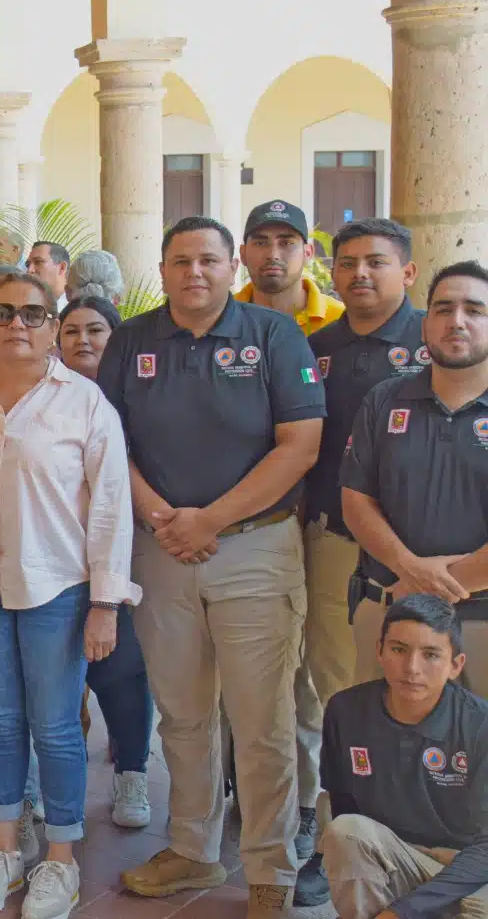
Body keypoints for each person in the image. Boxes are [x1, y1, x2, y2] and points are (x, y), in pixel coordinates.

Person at [101, 217, 325, 918]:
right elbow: (108, 444)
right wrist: (167, 518)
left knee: (263, 721)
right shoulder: (133, 341)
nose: (193, 273)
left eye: (208, 260)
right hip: (161, 548)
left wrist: (211, 519)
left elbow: (300, 446)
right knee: (184, 713)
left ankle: (270, 868)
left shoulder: (273, 336)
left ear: (233, 267)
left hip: (255, 548)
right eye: (179, 261)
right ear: (162, 270)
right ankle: (194, 850)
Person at [0, 274, 137, 919]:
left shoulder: (84, 403)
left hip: (57, 586)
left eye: (33, 313)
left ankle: (60, 859)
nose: (17, 324)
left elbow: (110, 508)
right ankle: (3, 849)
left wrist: (105, 602)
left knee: (54, 728)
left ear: (53, 325)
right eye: (3, 312)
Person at [343, 260, 488, 697]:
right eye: (442, 309)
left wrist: (432, 587)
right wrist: (409, 570)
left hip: (480, 623)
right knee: (380, 755)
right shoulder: (384, 399)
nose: (456, 321)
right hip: (388, 612)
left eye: (474, 310)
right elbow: (355, 500)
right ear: (425, 325)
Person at [305, 220, 423, 714]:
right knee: (333, 676)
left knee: (416, 678)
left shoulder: (437, 342)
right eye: (348, 263)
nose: (360, 274)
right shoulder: (316, 348)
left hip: (418, 548)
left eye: (377, 262)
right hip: (334, 538)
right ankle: (341, 789)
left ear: (408, 271)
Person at [319, 594, 488, 919]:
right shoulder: (345, 711)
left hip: (464, 865)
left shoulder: (479, 726)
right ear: (379, 650)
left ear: (456, 665)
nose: (412, 668)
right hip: (395, 856)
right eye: (399, 649)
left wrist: (400, 912)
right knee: (345, 832)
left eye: (431, 655)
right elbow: (343, 802)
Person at [57, 297, 155, 831]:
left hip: (126, 554)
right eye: (71, 330)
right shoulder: (42, 397)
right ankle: (58, 781)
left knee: (120, 668)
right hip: (58, 561)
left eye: (95, 330)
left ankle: (132, 772)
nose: (83, 340)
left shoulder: (136, 397)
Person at [238, 201, 344, 335]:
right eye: (261, 243)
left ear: (308, 253)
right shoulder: (221, 317)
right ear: (243, 254)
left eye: (287, 243)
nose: (273, 255)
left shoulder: (340, 319)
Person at [26, 243, 71, 311]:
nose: (29, 270)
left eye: (38, 262)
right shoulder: (27, 303)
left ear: (62, 268)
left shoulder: (77, 310)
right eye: (28, 265)